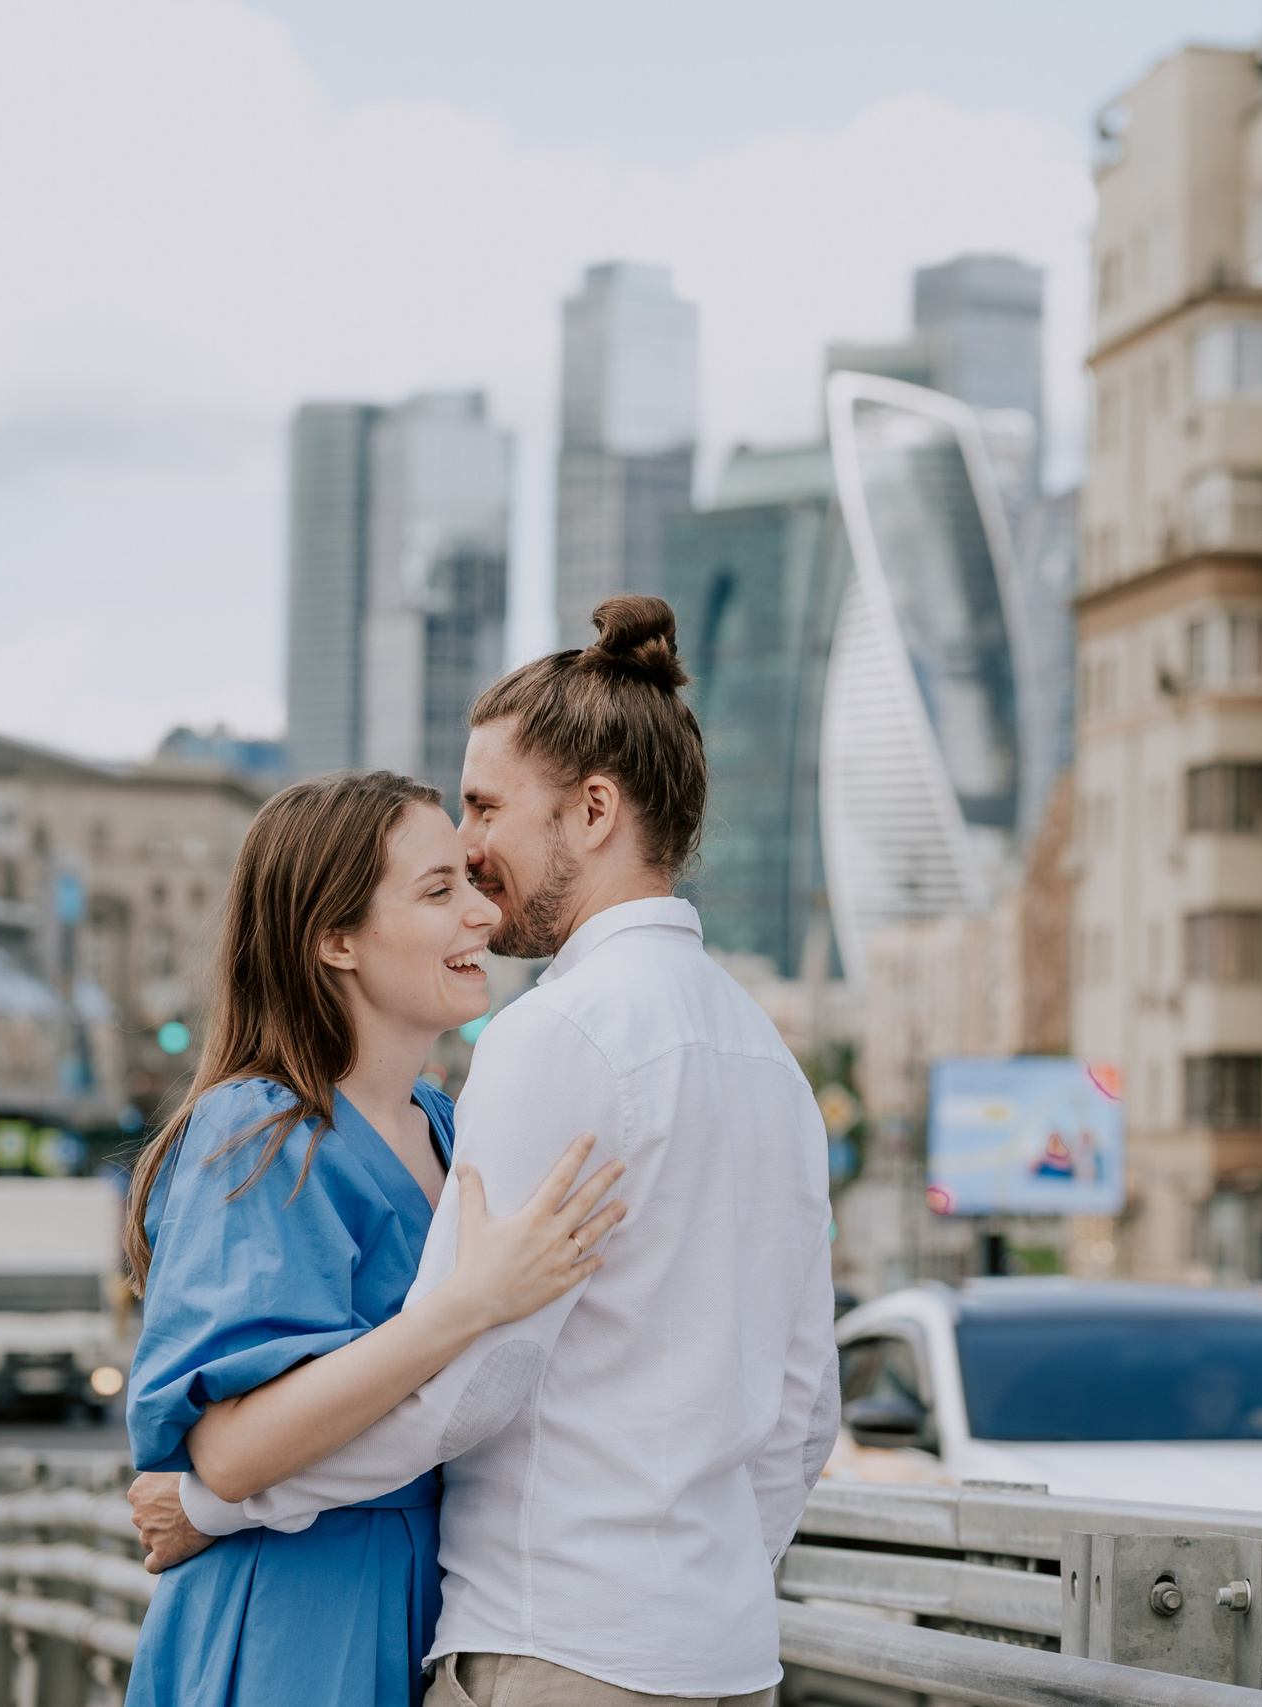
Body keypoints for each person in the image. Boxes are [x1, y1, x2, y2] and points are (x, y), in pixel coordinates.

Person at [135, 596, 842, 1707]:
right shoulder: (770, 1059)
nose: (470, 852)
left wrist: (215, 1500)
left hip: (555, 1641)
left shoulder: (553, 1035)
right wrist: (699, 1601)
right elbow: (804, 1403)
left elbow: (468, 1388)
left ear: (593, 809)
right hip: (715, 1653)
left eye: (484, 806)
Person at [124, 770, 630, 1707]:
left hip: (444, 1601)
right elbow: (230, 1451)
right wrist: (468, 1303)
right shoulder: (259, 1131)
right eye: (438, 891)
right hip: (295, 1621)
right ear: (337, 938)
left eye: (469, 882)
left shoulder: (451, 1125)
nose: (483, 913)